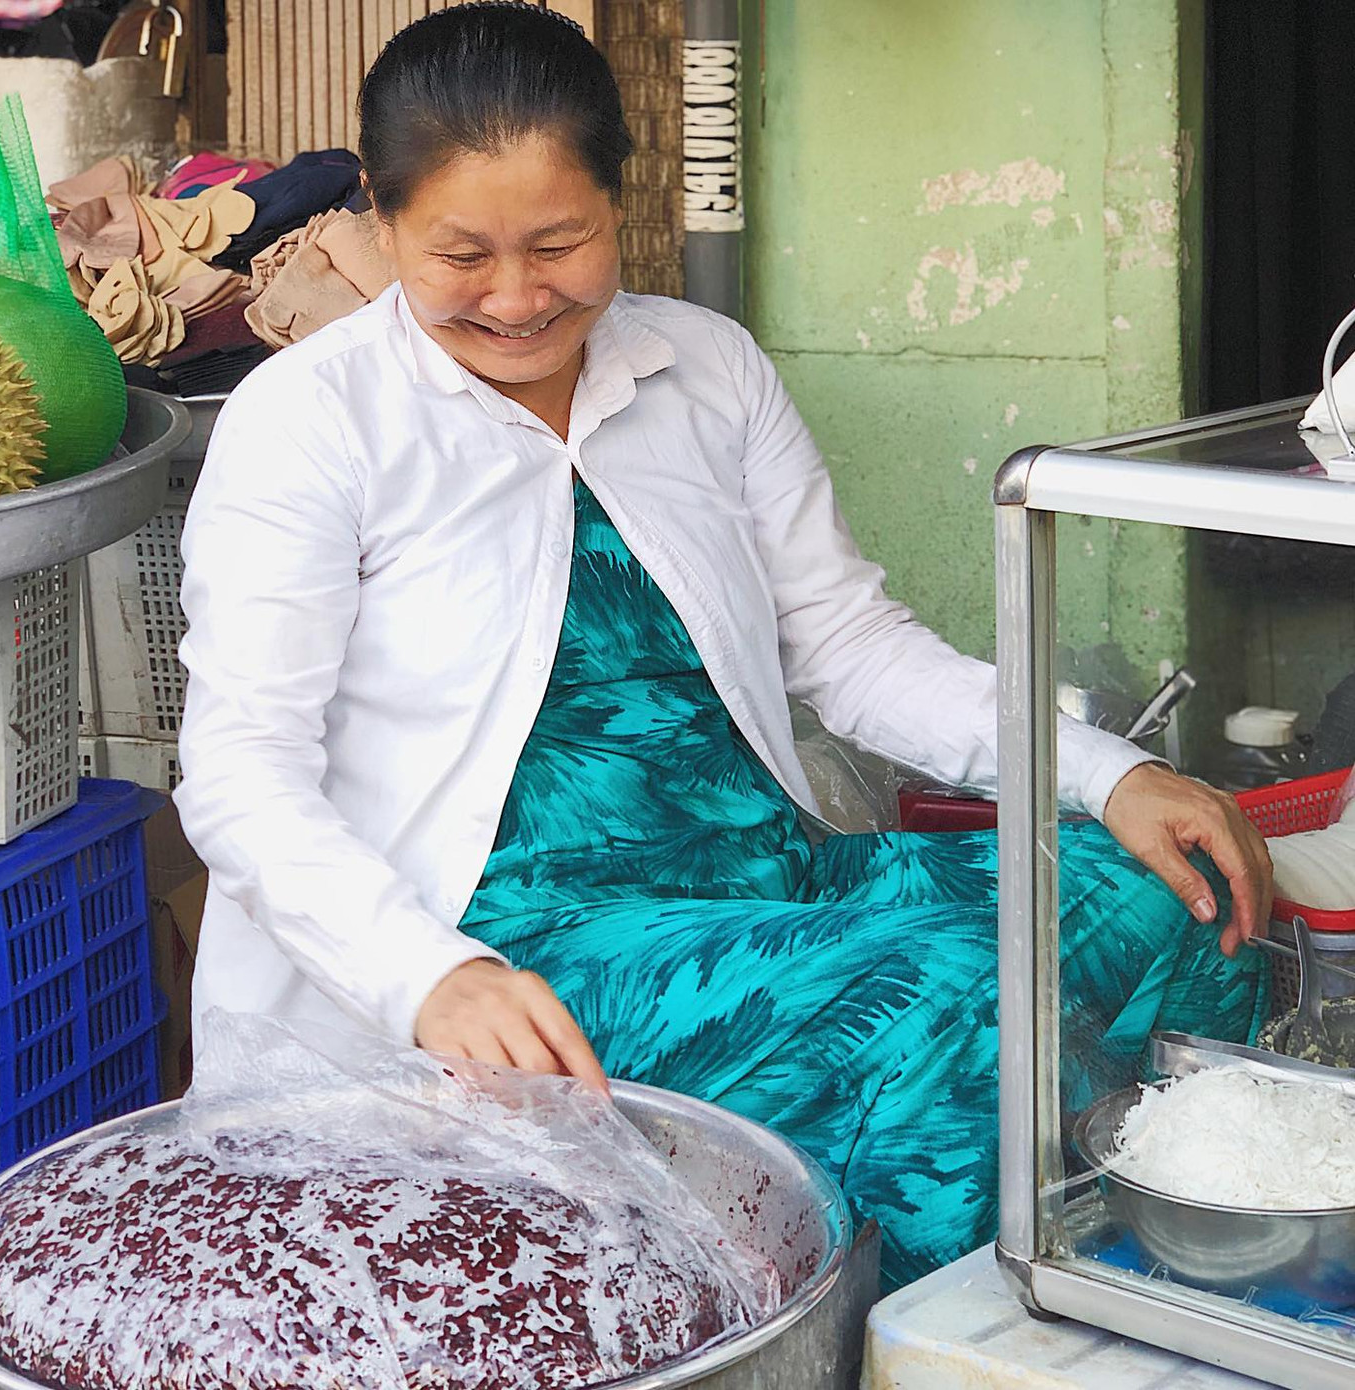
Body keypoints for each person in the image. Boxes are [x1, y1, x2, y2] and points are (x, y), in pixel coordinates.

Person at [175, 2, 1273, 1289]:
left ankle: (1186, 1280)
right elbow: (241, 774)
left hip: (763, 874)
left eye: (560, 243)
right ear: (380, 214)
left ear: (621, 201)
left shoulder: (707, 368)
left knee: (1169, 885)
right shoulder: (310, 423)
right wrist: (430, 977)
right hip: (512, 938)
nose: (517, 298)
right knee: (945, 997)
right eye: (461, 254)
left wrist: (1108, 773)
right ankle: (946, 1339)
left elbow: (851, 647)